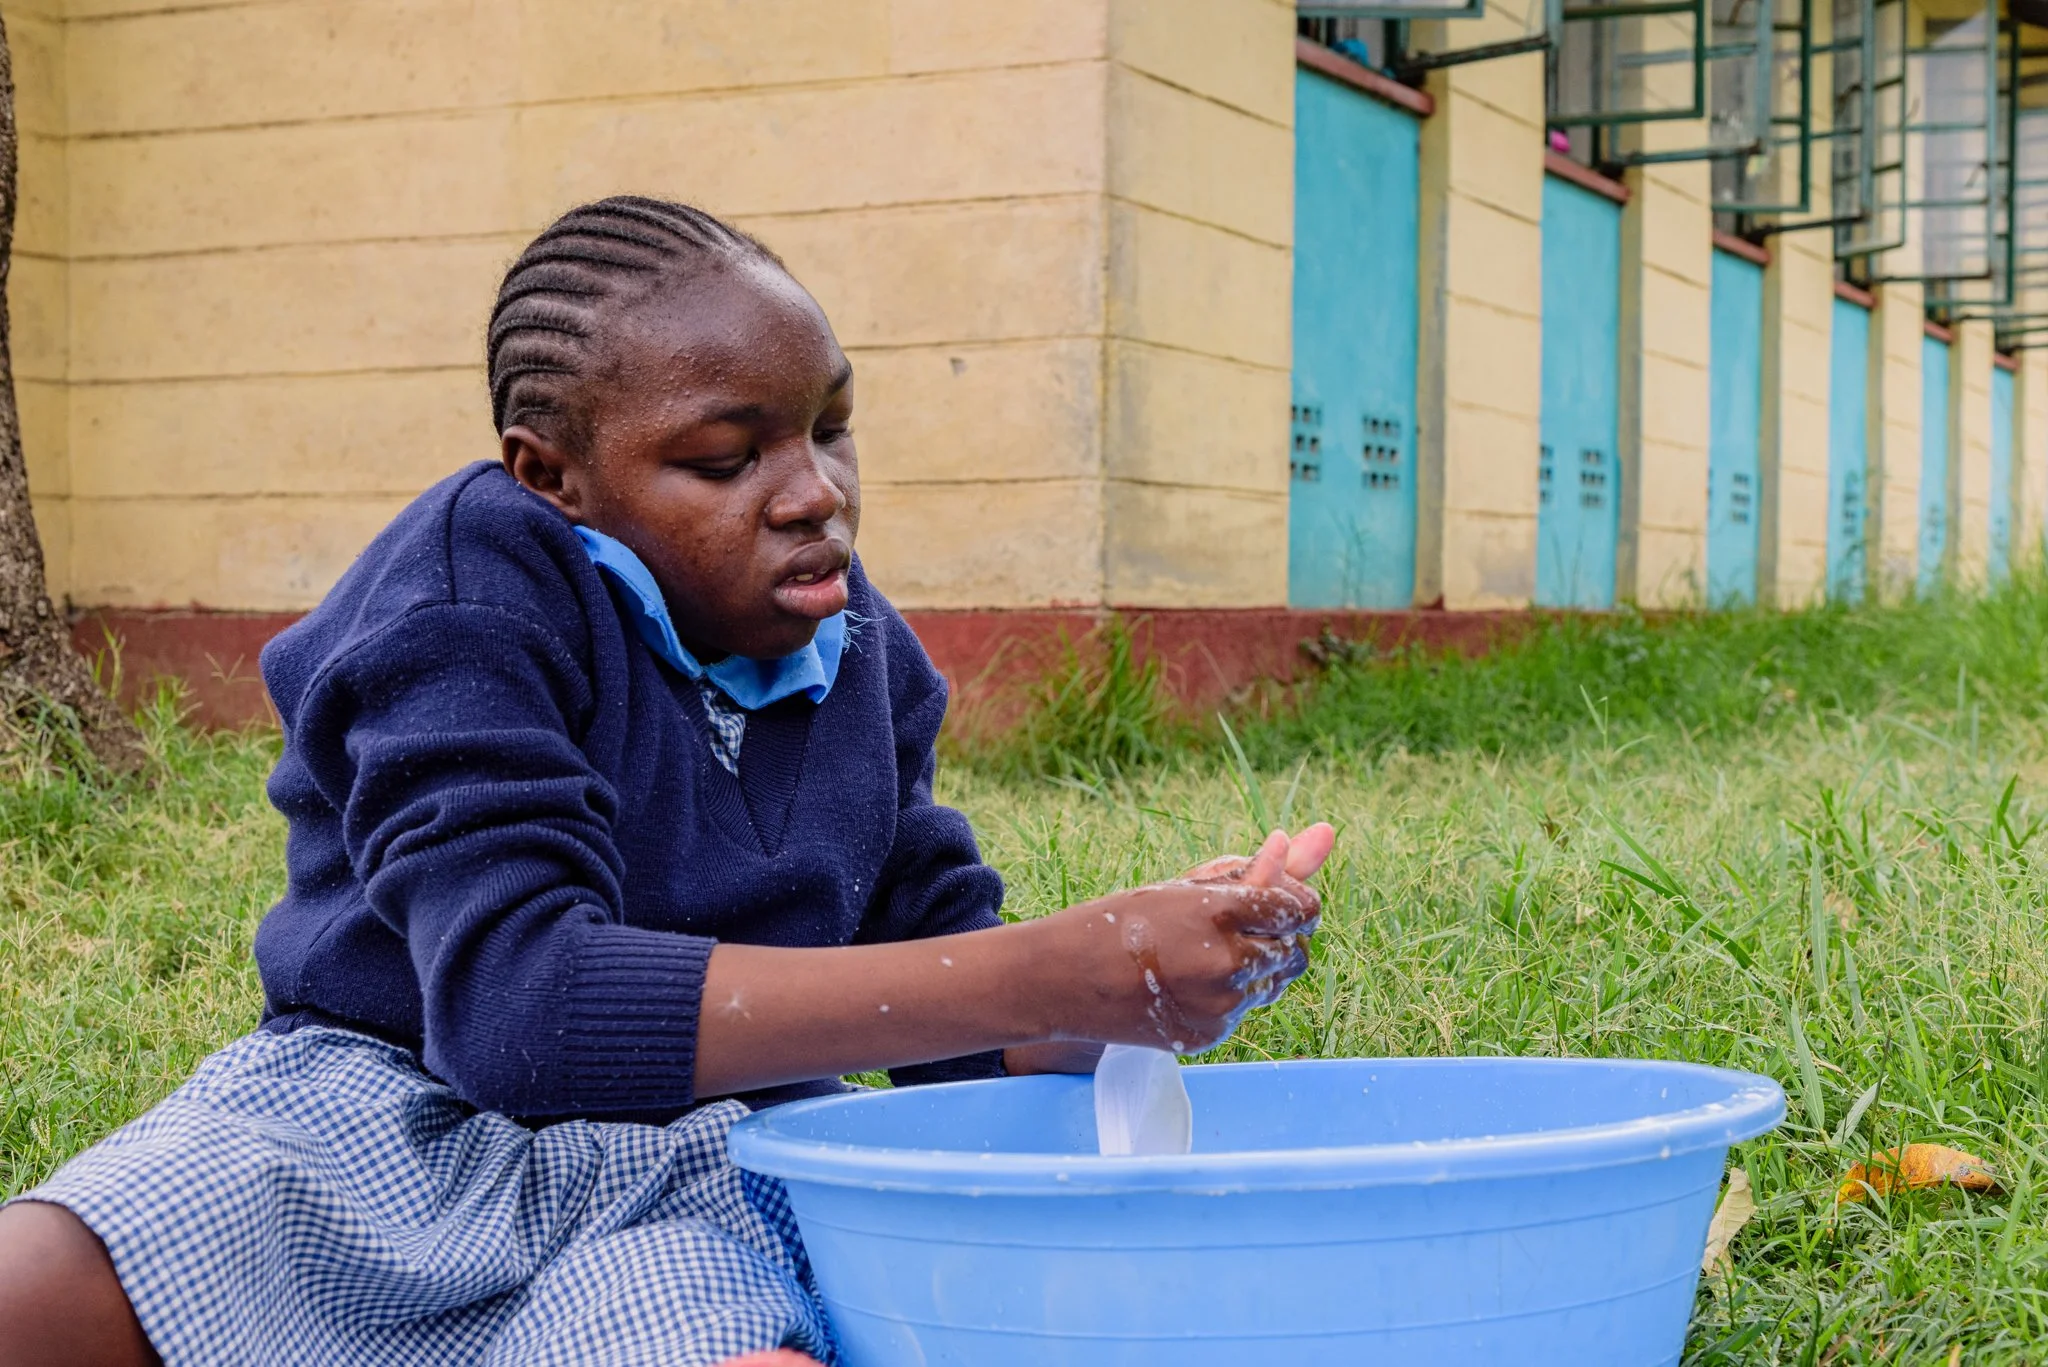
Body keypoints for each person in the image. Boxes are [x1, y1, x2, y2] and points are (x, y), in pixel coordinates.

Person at [0, 196, 1334, 1367]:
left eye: (831, 430)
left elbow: (949, 998)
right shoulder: (476, 587)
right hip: (386, 1112)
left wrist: (1139, 982)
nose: (813, 493)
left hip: (708, 1160)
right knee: (38, 1292)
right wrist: (1044, 968)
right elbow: (520, 1008)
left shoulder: (866, 655)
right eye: (727, 457)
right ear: (554, 475)